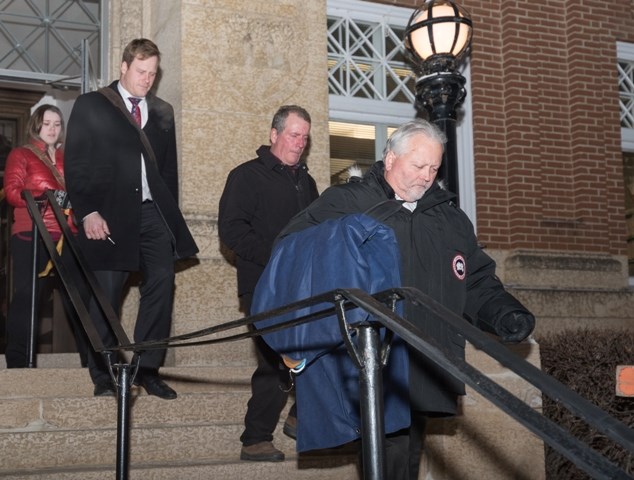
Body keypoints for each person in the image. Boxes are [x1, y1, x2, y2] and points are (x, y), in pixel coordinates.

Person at [278, 119, 536, 479]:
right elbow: (292, 253)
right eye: (417, 165)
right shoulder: (348, 202)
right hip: (370, 356)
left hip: (424, 355)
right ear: (389, 158)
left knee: (407, 451)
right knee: (388, 450)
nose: (426, 176)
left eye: (433, 168)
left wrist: (505, 315)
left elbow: (474, 279)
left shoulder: (449, 219)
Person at [64, 38, 199, 399]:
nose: (147, 79)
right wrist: (88, 211)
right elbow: (75, 163)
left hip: (153, 213)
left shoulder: (163, 110)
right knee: (107, 292)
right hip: (108, 214)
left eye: (153, 73)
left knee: (162, 283)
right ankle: (103, 371)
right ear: (123, 67)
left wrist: (171, 220)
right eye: (141, 71)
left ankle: (147, 369)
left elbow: (167, 173)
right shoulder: (92, 104)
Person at [218, 105, 319, 462]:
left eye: (305, 138)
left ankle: (300, 416)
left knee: (320, 351)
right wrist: (278, 255)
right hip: (263, 285)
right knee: (274, 361)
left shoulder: (307, 182)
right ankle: (255, 439)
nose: (300, 143)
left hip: (303, 287)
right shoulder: (246, 176)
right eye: (294, 135)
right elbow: (231, 231)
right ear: (274, 135)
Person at [3, 104, 84, 367]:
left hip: (66, 235)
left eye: (57, 124)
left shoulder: (67, 157)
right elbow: (13, 193)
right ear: (36, 125)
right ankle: (18, 362)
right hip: (31, 233)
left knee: (79, 297)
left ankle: (93, 363)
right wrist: (47, 199)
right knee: (28, 296)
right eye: (46, 123)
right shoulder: (21, 154)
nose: (52, 128)